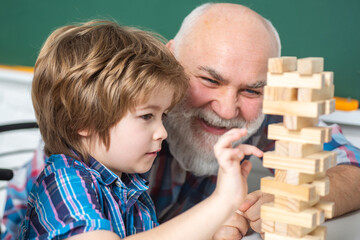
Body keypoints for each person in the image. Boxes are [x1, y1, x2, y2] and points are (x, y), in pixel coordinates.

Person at [3, 3, 360, 240]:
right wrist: (220, 206)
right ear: (169, 61)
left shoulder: (265, 108)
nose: (226, 108)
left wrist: (282, 201)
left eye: (252, 89)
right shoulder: (79, 163)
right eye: (209, 80)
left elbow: (354, 168)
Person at [18, 20, 262, 239]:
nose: (162, 132)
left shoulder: (131, 186)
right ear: (83, 121)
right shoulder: (64, 181)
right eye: (147, 116)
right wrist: (221, 202)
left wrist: (209, 230)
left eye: (162, 116)